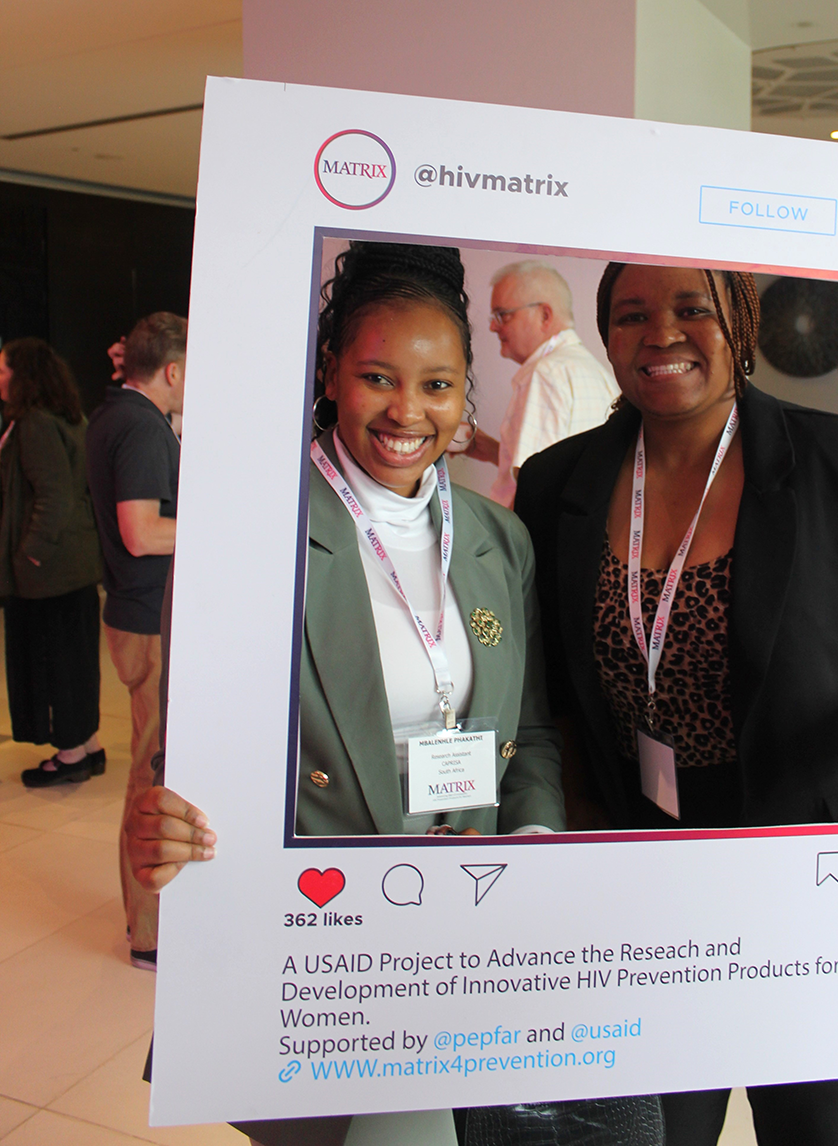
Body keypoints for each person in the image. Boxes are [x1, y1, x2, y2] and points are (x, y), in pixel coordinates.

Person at [515, 261, 838, 1144]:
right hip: (638, 870)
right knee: (655, 1131)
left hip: (808, 880)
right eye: (631, 314)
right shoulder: (554, 484)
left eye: (693, 309)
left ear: (743, 324)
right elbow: (547, 688)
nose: (661, 334)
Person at [125, 243, 566, 1146]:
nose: (408, 411)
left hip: (467, 926)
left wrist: (532, 840)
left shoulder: (497, 538)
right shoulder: (254, 531)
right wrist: (164, 815)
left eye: (438, 384)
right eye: (377, 377)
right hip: (317, 938)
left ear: (463, 394)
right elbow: (192, 746)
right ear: (330, 375)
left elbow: (529, 728)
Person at [86, 312, 186, 971]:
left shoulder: (113, 415)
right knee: (152, 776)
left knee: (152, 769)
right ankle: (150, 933)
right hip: (148, 619)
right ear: (173, 371)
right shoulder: (144, 427)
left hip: (133, 612)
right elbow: (143, 533)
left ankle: (147, 920)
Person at [0, 339, 104, 786]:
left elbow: (54, 495)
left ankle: (71, 754)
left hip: (49, 570)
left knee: (53, 660)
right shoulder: (68, 417)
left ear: (23, 376)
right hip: (71, 565)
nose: (0, 377)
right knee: (75, 657)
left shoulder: (35, 423)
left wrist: (30, 554)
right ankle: (87, 744)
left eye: (4, 370)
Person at [465, 260, 618, 508]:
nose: (493, 327)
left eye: (502, 315)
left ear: (544, 315)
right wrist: (497, 452)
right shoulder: (597, 373)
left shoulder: (545, 374)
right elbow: (560, 470)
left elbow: (533, 486)